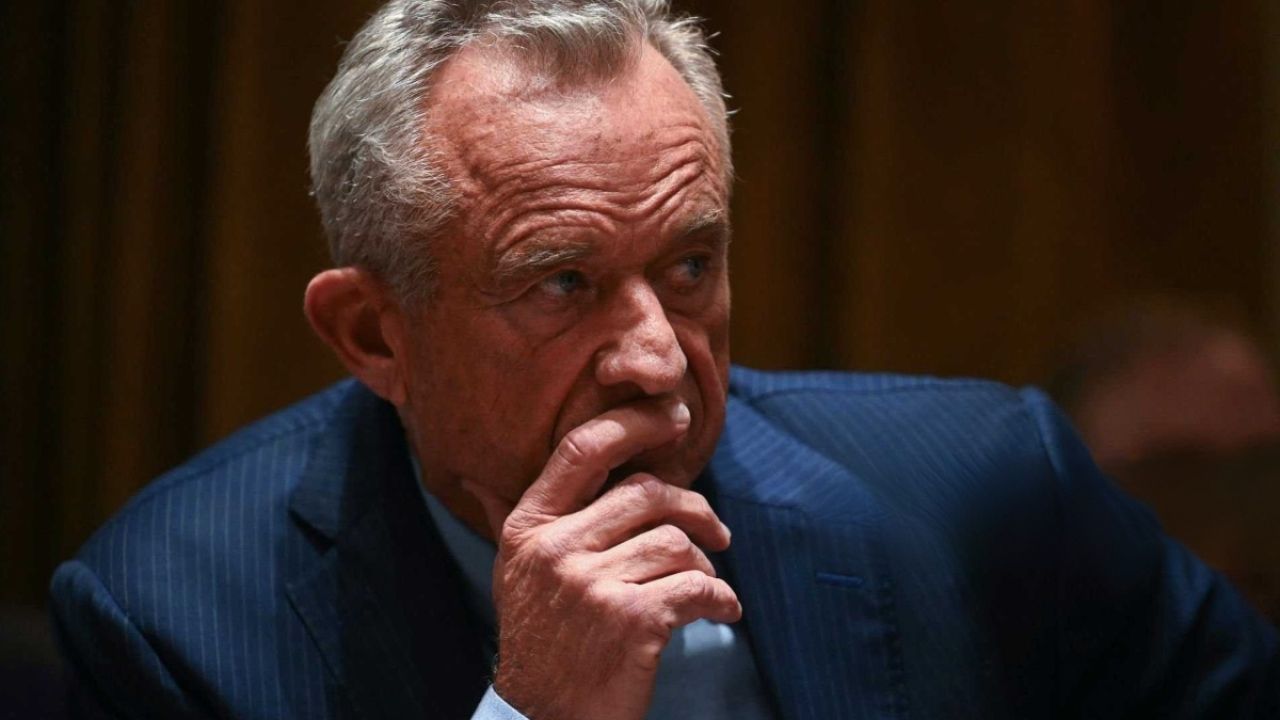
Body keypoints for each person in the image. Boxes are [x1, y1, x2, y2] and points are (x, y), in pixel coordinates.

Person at [51, 1, 1278, 718]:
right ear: (374, 334)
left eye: (688, 267)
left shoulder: (986, 487)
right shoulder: (171, 622)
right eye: (562, 284)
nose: (655, 356)